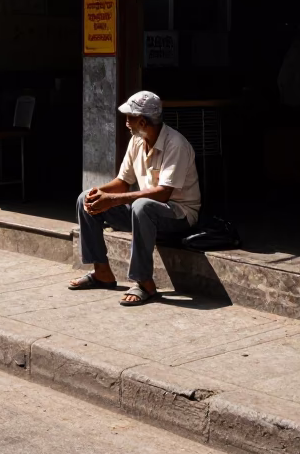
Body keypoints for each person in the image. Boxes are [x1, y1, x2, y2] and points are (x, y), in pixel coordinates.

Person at [69, 91, 201, 306]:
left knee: (142, 206)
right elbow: (123, 181)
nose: (126, 123)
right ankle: (102, 272)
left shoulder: (176, 144)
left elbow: (163, 194)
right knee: (86, 198)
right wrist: (99, 193)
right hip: (145, 211)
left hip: (178, 215)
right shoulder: (137, 141)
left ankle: (144, 282)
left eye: (130, 117)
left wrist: (113, 200)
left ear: (142, 121)